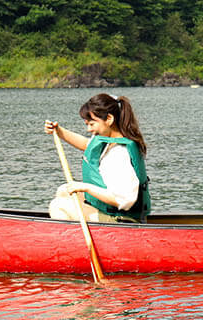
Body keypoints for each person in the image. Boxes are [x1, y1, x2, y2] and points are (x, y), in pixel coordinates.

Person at [45, 93, 151, 223]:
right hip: (112, 212)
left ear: (109, 119)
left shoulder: (119, 153)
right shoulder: (109, 141)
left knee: (58, 206)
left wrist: (86, 187)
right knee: (64, 191)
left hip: (123, 220)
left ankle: (75, 241)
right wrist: (58, 131)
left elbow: (126, 200)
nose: (89, 129)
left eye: (92, 123)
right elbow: (85, 144)